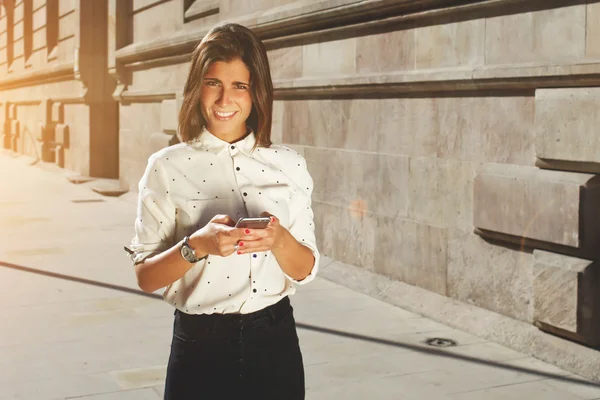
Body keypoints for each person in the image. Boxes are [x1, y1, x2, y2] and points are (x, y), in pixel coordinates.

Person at [127, 23, 319, 400]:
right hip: (199, 348)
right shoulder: (166, 166)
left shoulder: (289, 164)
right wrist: (197, 245)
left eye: (240, 86)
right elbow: (146, 277)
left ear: (257, 93)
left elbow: (306, 269)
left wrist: (279, 240)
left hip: (274, 342)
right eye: (213, 83)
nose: (224, 99)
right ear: (197, 87)